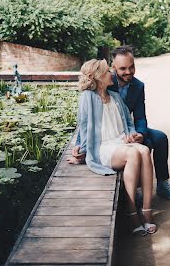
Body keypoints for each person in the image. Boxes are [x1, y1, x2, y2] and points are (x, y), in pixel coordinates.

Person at [72, 46, 170, 202]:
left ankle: (163, 184)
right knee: (146, 146)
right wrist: (80, 145)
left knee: (160, 138)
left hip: (130, 129)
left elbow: (140, 116)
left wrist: (140, 133)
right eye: (123, 68)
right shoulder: (106, 81)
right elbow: (87, 119)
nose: (128, 72)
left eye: (131, 67)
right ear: (113, 67)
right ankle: (135, 189)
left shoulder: (138, 86)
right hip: (111, 134)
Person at [67, 58, 157, 236]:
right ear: (99, 77)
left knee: (145, 151)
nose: (112, 74)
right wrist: (81, 149)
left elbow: (128, 122)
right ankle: (132, 213)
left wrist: (131, 134)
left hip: (120, 141)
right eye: (108, 71)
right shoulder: (87, 98)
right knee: (133, 154)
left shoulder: (114, 96)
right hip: (103, 147)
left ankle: (146, 210)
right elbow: (84, 127)